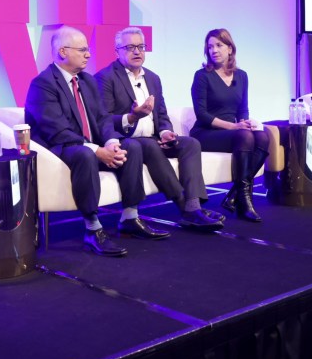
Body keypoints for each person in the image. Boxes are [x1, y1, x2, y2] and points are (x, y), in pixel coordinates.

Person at [25, 26, 167, 258]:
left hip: (91, 145)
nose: (88, 55)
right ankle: (93, 229)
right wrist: (96, 150)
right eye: (82, 50)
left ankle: (130, 217)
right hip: (60, 149)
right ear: (62, 52)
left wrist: (111, 142)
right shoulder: (43, 84)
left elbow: (102, 119)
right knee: (84, 154)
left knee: (131, 145)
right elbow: (57, 131)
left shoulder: (87, 81)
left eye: (87, 50)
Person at [95, 28, 224, 232]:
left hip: (154, 138)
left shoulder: (153, 78)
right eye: (130, 47)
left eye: (141, 47)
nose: (137, 51)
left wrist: (165, 132)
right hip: (128, 140)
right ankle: (186, 208)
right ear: (117, 51)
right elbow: (103, 119)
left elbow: (161, 115)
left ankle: (194, 206)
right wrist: (132, 116)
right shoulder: (105, 77)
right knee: (149, 146)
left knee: (190, 143)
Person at [189, 29, 270, 222]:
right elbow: (202, 114)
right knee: (244, 137)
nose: (214, 50)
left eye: (219, 45)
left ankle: (236, 195)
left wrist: (244, 122)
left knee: (263, 136)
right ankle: (243, 200)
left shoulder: (241, 76)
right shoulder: (202, 76)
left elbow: (243, 108)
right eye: (210, 47)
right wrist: (233, 127)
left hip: (230, 132)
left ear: (230, 48)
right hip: (205, 133)